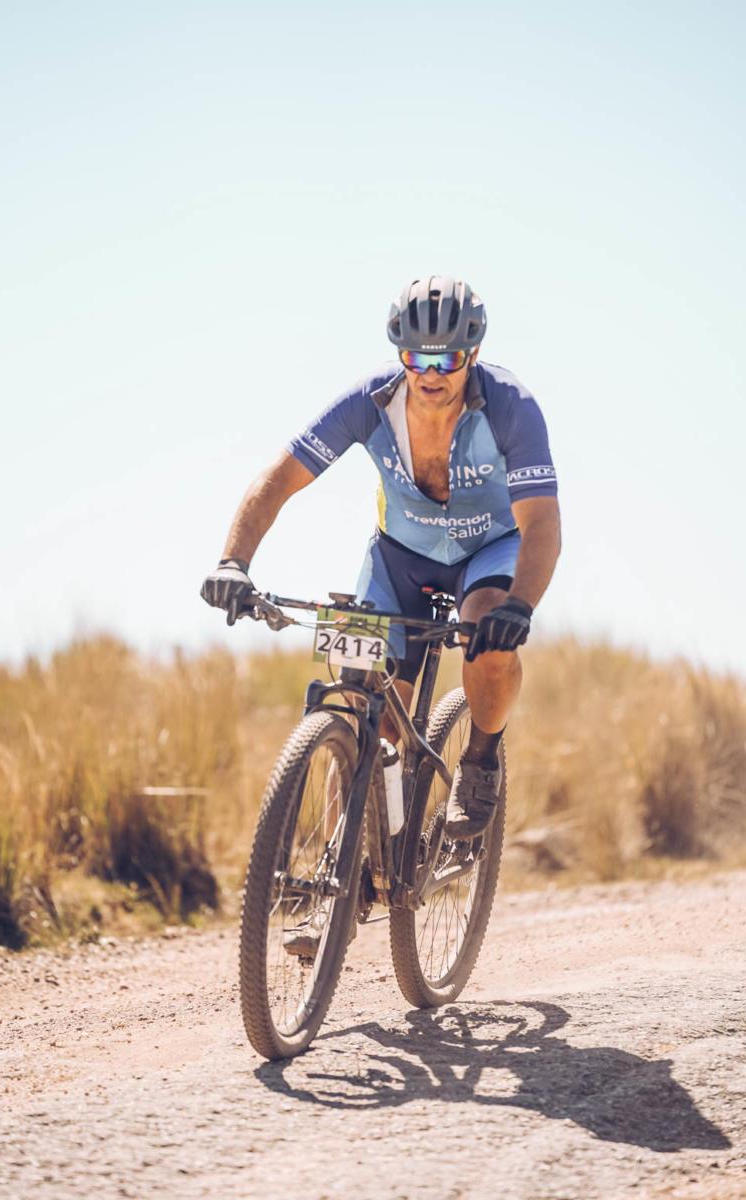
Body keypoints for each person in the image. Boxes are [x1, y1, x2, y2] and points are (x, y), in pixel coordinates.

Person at [201, 276, 560, 843]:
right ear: (400, 354)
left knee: (487, 633)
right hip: (399, 558)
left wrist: (520, 605)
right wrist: (233, 562)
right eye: (417, 358)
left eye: (448, 359)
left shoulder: (511, 407)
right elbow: (279, 479)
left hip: (488, 552)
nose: (431, 373)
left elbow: (541, 523)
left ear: (474, 354)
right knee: (363, 705)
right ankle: (345, 857)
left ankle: (481, 758)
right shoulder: (370, 401)